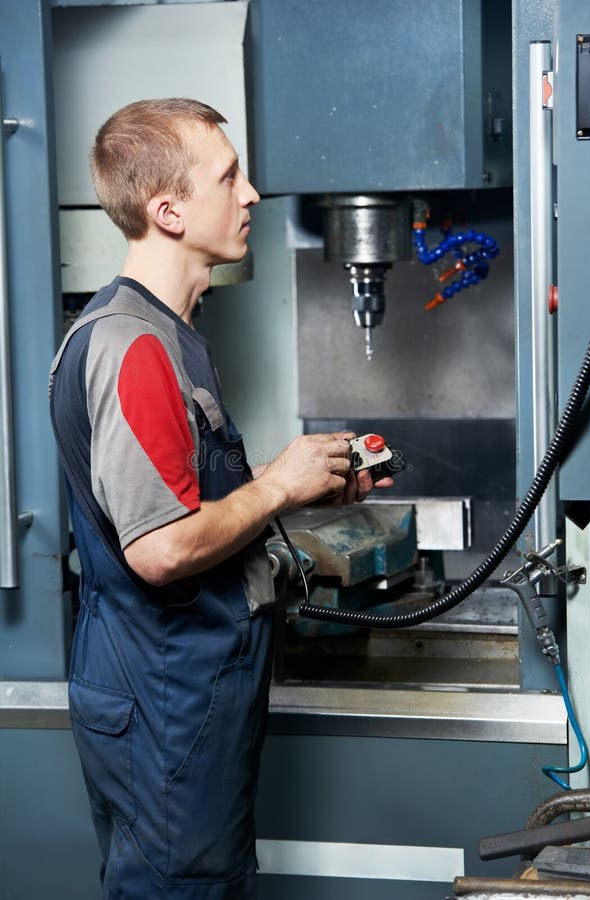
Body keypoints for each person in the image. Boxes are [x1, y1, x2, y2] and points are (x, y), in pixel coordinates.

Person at [49, 98, 391, 899]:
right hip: (166, 701)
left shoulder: (167, 337)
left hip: (186, 697)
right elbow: (161, 548)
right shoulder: (133, 347)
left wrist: (298, 489)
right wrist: (274, 483)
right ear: (166, 210)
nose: (251, 196)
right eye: (229, 177)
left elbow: (182, 505)